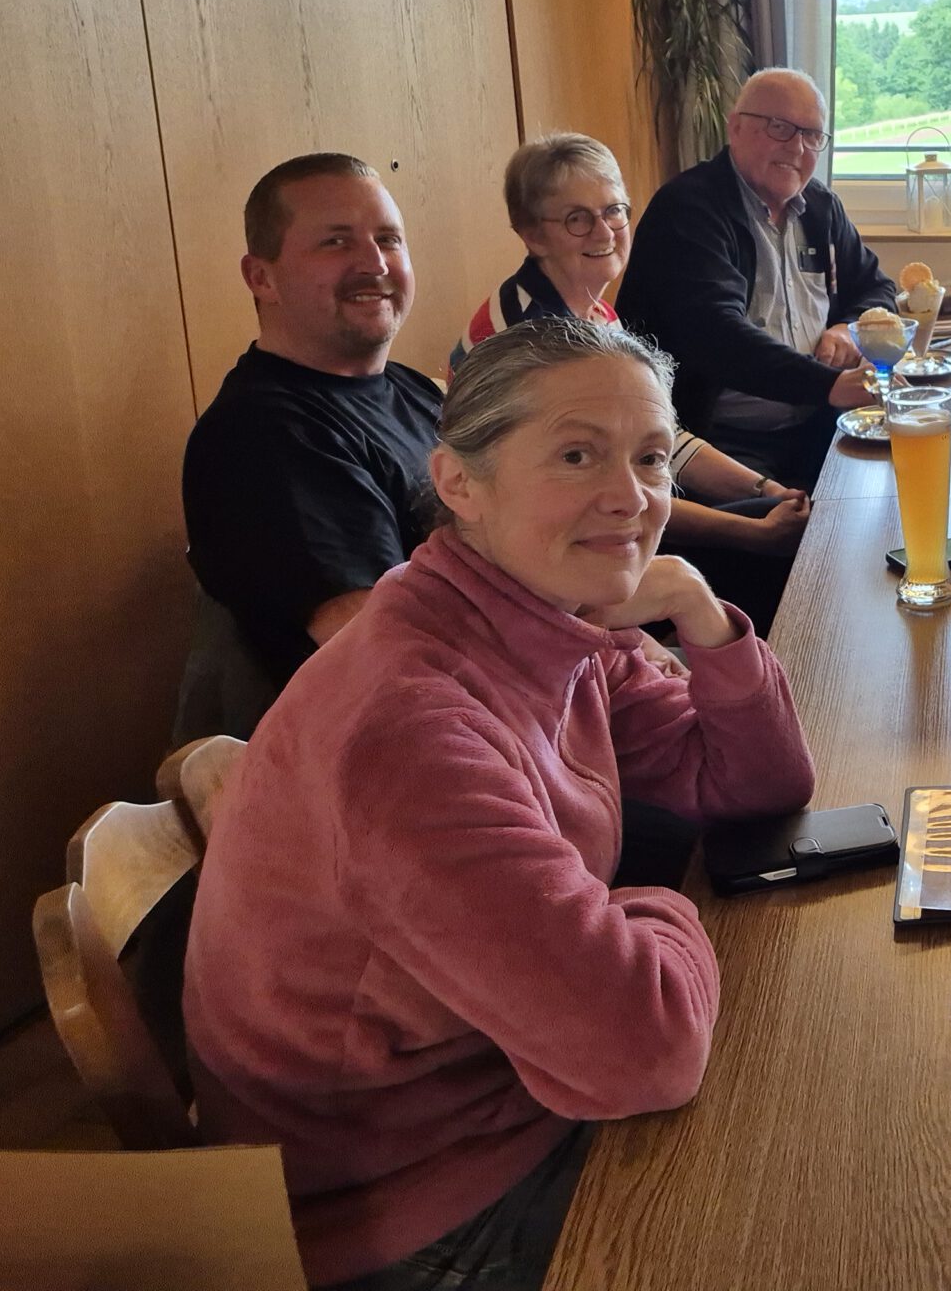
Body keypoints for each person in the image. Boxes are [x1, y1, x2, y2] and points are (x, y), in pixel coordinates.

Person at [185, 316, 816, 1290]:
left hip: (506, 1080)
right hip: (417, 1204)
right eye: (576, 455)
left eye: (651, 457)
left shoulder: (534, 611)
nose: (631, 496)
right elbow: (642, 1052)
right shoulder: (412, 729)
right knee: (814, 1181)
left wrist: (699, 612)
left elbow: (756, 786)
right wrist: (649, 906)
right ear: (459, 483)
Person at [457, 131, 808, 630]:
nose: (604, 231)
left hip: (605, 518)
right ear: (533, 235)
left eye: (614, 211)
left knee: (791, 523)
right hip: (544, 568)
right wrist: (750, 532)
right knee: (779, 565)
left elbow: (662, 444)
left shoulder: (594, 313)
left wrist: (766, 489)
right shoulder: (533, 338)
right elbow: (602, 490)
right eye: (578, 219)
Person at [181, 154, 441, 703]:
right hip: (397, 732)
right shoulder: (262, 433)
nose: (374, 263)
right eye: (336, 242)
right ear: (262, 278)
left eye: (389, 239)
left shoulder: (416, 391)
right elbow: (380, 649)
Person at [625, 69, 895, 490]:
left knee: (900, 479)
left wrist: (849, 328)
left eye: (812, 135)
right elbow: (718, 336)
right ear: (735, 127)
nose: (797, 148)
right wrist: (829, 385)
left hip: (817, 424)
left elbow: (877, 288)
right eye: (780, 128)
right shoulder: (689, 210)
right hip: (719, 440)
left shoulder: (821, 208)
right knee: (803, 523)